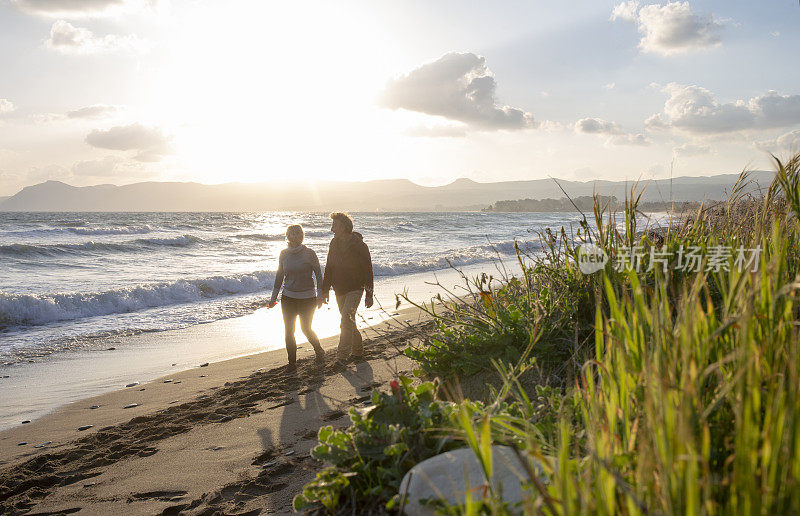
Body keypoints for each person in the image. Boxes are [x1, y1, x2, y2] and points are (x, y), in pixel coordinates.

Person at [268, 224, 325, 370]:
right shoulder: (283, 254)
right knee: (289, 331)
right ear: (287, 237)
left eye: (298, 235)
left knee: (306, 328)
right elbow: (279, 276)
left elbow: (319, 275)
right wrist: (273, 298)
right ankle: (292, 363)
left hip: (308, 298)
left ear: (302, 236)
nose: (295, 238)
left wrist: (320, 295)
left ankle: (319, 350)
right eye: (292, 235)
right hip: (288, 298)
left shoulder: (309, 253)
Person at [321, 212, 374, 364]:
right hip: (339, 288)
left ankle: (341, 357)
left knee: (345, 319)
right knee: (349, 321)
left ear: (344, 227)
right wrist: (325, 289)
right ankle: (358, 352)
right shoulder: (334, 243)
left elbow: (368, 270)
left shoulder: (360, 245)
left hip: (356, 288)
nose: (332, 229)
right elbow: (329, 267)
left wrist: (369, 294)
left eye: (334, 226)